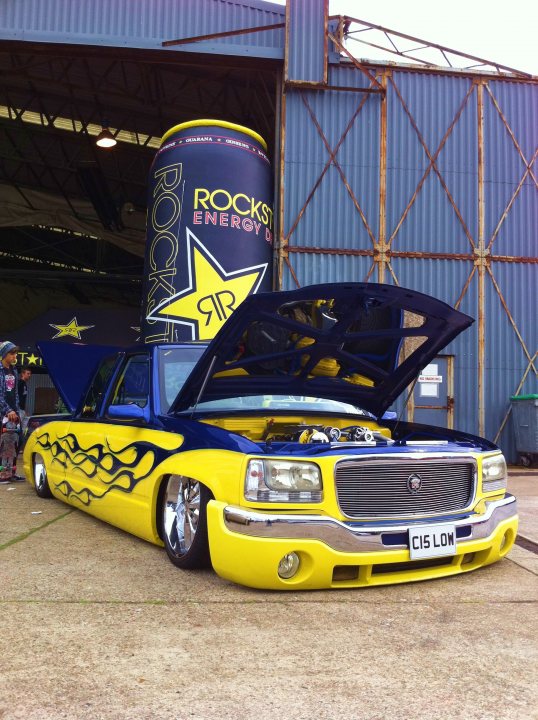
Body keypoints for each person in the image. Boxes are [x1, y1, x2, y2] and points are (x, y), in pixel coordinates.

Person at [0, 341, 21, 482]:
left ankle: (11, 473)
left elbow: (15, 394)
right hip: (3, 413)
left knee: (14, 442)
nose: (14, 356)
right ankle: (2, 475)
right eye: (11, 353)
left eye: (15, 354)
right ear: (4, 354)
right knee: (3, 443)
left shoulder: (14, 371)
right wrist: (8, 410)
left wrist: (17, 411)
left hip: (14, 413)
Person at [18, 366, 31, 433]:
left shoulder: (24, 384)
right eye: (28, 373)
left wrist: (24, 410)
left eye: (30, 374)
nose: (29, 375)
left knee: (27, 420)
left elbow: (22, 398)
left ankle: (22, 440)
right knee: (17, 427)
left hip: (22, 409)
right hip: (18, 409)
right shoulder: (20, 383)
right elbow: (16, 396)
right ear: (23, 374)